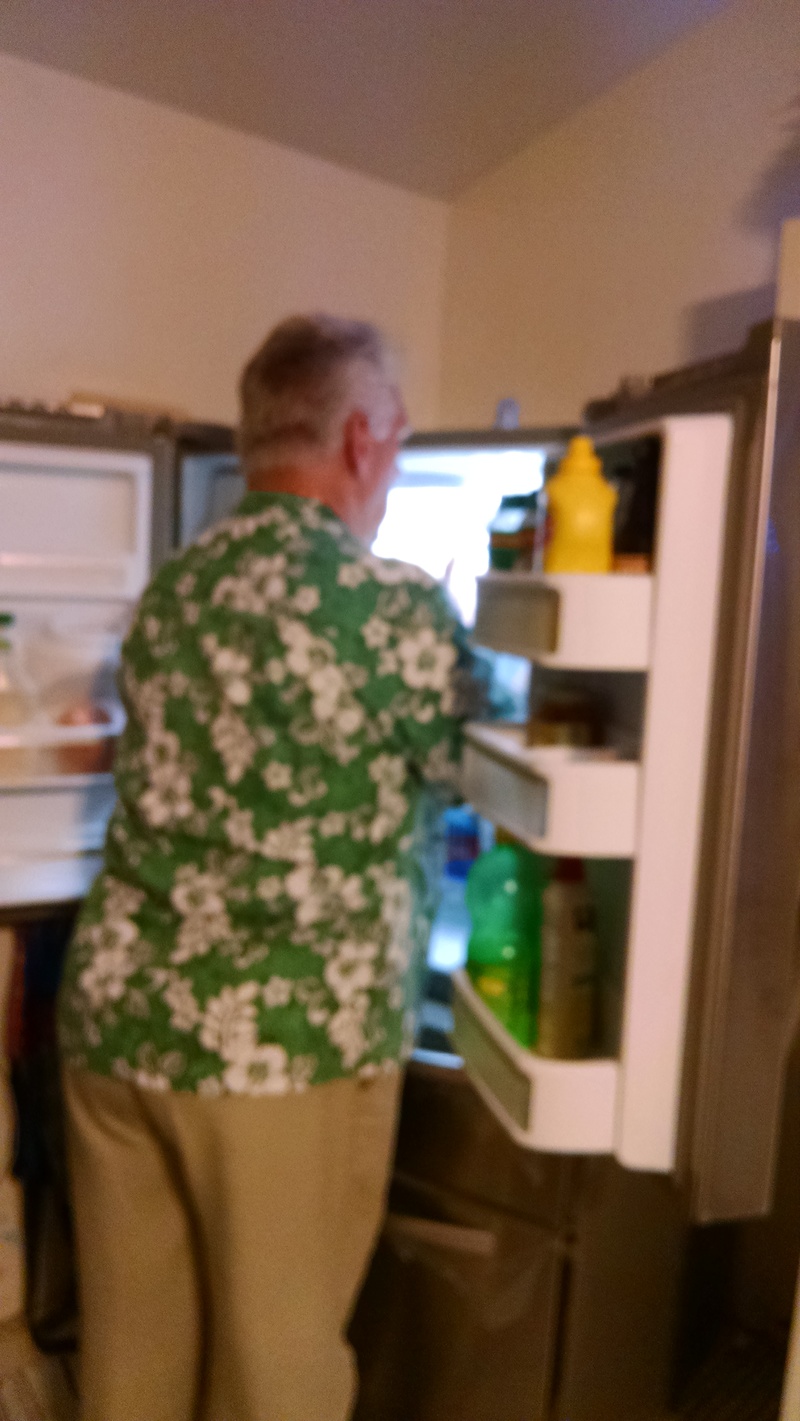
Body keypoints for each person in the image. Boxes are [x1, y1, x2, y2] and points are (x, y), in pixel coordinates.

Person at [57, 315, 469, 1421]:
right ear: (361, 439)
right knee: (274, 1380)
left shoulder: (170, 594)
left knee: (129, 1374)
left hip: (114, 1022)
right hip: (280, 1054)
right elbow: (481, 765)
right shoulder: (394, 610)